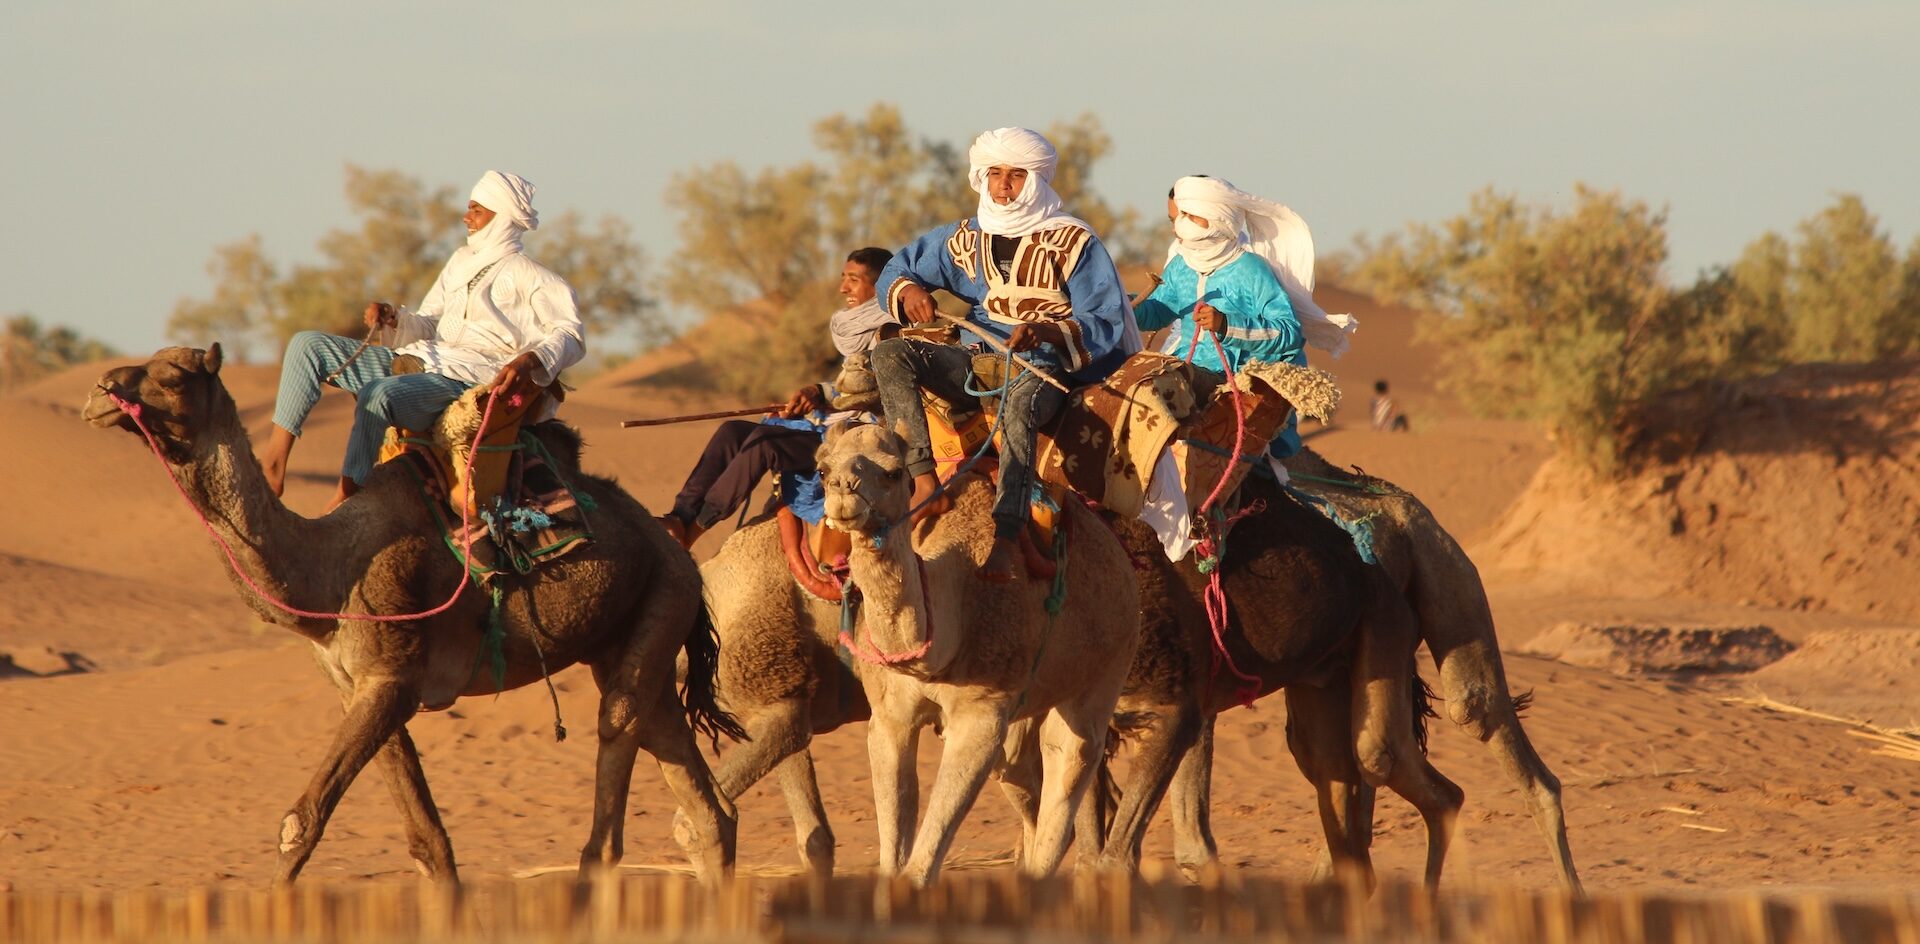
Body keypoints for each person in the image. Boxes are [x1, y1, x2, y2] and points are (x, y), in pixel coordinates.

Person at [871, 127, 1136, 582]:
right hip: (976, 357)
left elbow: (1106, 319)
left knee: (1018, 406)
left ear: (1035, 180)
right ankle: (924, 480)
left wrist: (1047, 331)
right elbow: (896, 269)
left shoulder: (1073, 241)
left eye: (1016, 175)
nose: (1004, 185)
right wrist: (910, 289)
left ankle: (1009, 532)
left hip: (1044, 367)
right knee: (892, 354)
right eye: (995, 174)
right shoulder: (963, 238)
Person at [259, 170, 584, 512]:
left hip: (464, 380)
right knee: (305, 345)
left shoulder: (532, 276)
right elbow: (430, 323)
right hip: (422, 360)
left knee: (378, 393)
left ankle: (347, 495)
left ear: (501, 216)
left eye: (476, 210)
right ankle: (274, 462)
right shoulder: (461, 262)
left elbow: (569, 333)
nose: (466, 217)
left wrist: (528, 359)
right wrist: (395, 319)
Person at [660, 248, 897, 549]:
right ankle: (679, 516)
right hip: (826, 426)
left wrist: (833, 397)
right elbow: (847, 385)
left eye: (853, 279)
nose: (843, 288)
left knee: (765, 444)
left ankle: (694, 531)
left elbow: (881, 393)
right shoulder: (854, 330)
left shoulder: (893, 333)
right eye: (843, 278)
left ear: (879, 286)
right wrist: (817, 392)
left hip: (855, 440)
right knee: (732, 432)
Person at [1133, 174, 1357, 461]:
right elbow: (1158, 311)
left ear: (1215, 216)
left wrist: (1227, 325)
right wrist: (1125, 305)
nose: (1178, 227)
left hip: (1231, 384)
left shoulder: (1250, 270)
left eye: (1188, 216)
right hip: (1183, 373)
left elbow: (1288, 333)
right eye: (1174, 219)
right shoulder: (1180, 266)